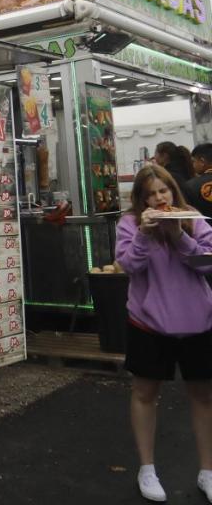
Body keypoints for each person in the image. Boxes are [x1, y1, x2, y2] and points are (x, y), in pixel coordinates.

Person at [115, 164, 212, 502]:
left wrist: (180, 236)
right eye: (150, 195)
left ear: (173, 191)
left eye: (163, 191)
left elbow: (207, 264)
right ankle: (147, 468)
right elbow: (127, 266)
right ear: (141, 201)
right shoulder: (130, 224)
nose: (159, 198)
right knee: (144, 393)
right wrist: (144, 234)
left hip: (199, 321)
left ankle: (208, 471)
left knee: (203, 395)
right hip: (148, 322)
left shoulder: (193, 218)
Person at [185, 144, 212, 221]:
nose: (193, 165)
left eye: (194, 161)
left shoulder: (190, 186)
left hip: (205, 230)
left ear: (202, 161)